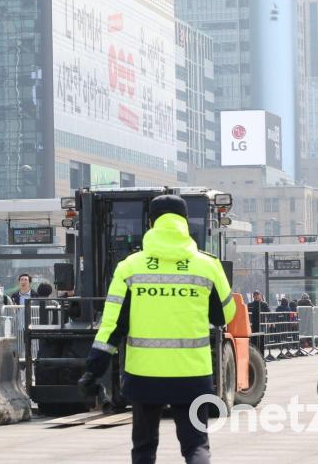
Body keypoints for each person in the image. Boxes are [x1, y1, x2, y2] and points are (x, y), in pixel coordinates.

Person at [79, 195, 237, 464]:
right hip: (192, 373)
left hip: (144, 375)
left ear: (151, 223)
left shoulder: (129, 267)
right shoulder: (208, 265)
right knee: (196, 446)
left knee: (143, 448)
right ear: (184, 223)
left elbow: (112, 326)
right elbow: (225, 316)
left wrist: (93, 370)